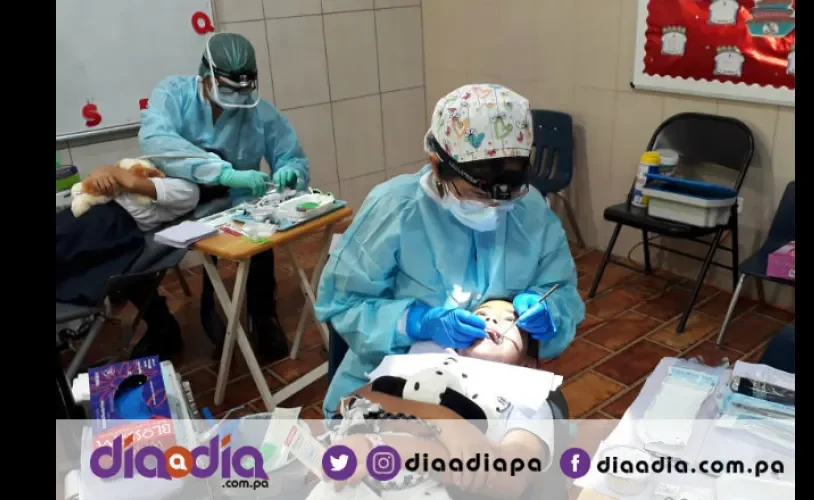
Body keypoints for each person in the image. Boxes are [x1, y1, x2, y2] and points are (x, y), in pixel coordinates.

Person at [314, 84, 585, 417]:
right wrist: (413, 323)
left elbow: (561, 290)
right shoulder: (395, 210)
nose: (494, 205)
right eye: (476, 193)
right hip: (391, 384)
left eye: (507, 194)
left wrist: (551, 312)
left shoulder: (530, 211)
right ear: (436, 165)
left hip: (495, 390)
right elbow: (342, 304)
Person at [138, 32, 310, 361]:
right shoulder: (173, 94)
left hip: (232, 201)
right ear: (206, 78)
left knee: (262, 234)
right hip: (176, 198)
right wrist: (220, 171)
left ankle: (263, 316)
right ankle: (160, 324)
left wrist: (291, 173)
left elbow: (291, 155)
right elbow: (156, 140)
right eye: (228, 90)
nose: (236, 99)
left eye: (243, 91)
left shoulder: (259, 112)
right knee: (131, 250)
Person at [319, 300, 554, 499]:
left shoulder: (528, 399)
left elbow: (511, 477)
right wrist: (441, 421)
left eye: (508, 320)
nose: (490, 321)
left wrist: (390, 449)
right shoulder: (424, 364)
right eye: (481, 315)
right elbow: (353, 402)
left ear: (528, 364)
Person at [56, 163, 200, 360]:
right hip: (88, 214)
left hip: (110, 226)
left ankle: (164, 329)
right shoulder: (150, 166)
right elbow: (108, 175)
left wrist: (109, 171)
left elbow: (131, 182)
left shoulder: (187, 189)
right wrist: (99, 172)